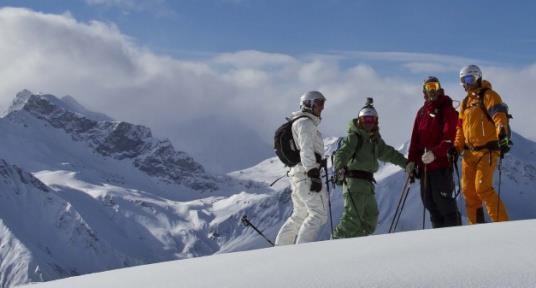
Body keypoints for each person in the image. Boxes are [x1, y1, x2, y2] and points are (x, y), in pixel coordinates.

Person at [332, 98, 411, 238]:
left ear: (376, 122)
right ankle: (334, 244)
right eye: (365, 120)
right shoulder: (354, 137)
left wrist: (406, 164)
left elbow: (389, 153)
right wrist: (339, 168)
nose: (368, 123)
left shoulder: (374, 141)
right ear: (359, 121)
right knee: (352, 219)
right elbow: (341, 154)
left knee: (370, 220)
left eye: (371, 120)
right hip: (354, 182)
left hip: (367, 185)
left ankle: (355, 244)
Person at [453, 64, 510, 224]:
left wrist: (502, 134)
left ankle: (503, 225)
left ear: (478, 77)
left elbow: (499, 116)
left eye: (469, 79)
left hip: (487, 151)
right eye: (463, 81)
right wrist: (456, 147)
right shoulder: (465, 103)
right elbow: (460, 128)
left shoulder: (490, 96)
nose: (466, 84)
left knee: (482, 188)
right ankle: (476, 228)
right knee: (469, 193)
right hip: (469, 154)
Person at [275, 91, 328, 245]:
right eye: (319, 103)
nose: (322, 108)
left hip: (298, 175)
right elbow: (306, 150)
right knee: (319, 214)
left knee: (300, 215)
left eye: (323, 103)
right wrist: (313, 174)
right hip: (306, 175)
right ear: (308, 104)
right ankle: (302, 253)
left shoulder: (299, 122)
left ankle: (279, 250)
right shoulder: (305, 123)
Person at [407, 76, 461, 228]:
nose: (432, 90)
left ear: (439, 88)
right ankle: (438, 240)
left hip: (441, 166)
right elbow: (415, 140)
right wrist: (411, 161)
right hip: (425, 167)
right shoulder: (422, 113)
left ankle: (455, 237)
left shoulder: (447, 109)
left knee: (445, 204)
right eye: (429, 87)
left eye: (434, 86)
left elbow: (449, 138)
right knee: (429, 203)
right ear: (424, 90)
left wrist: (435, 153)